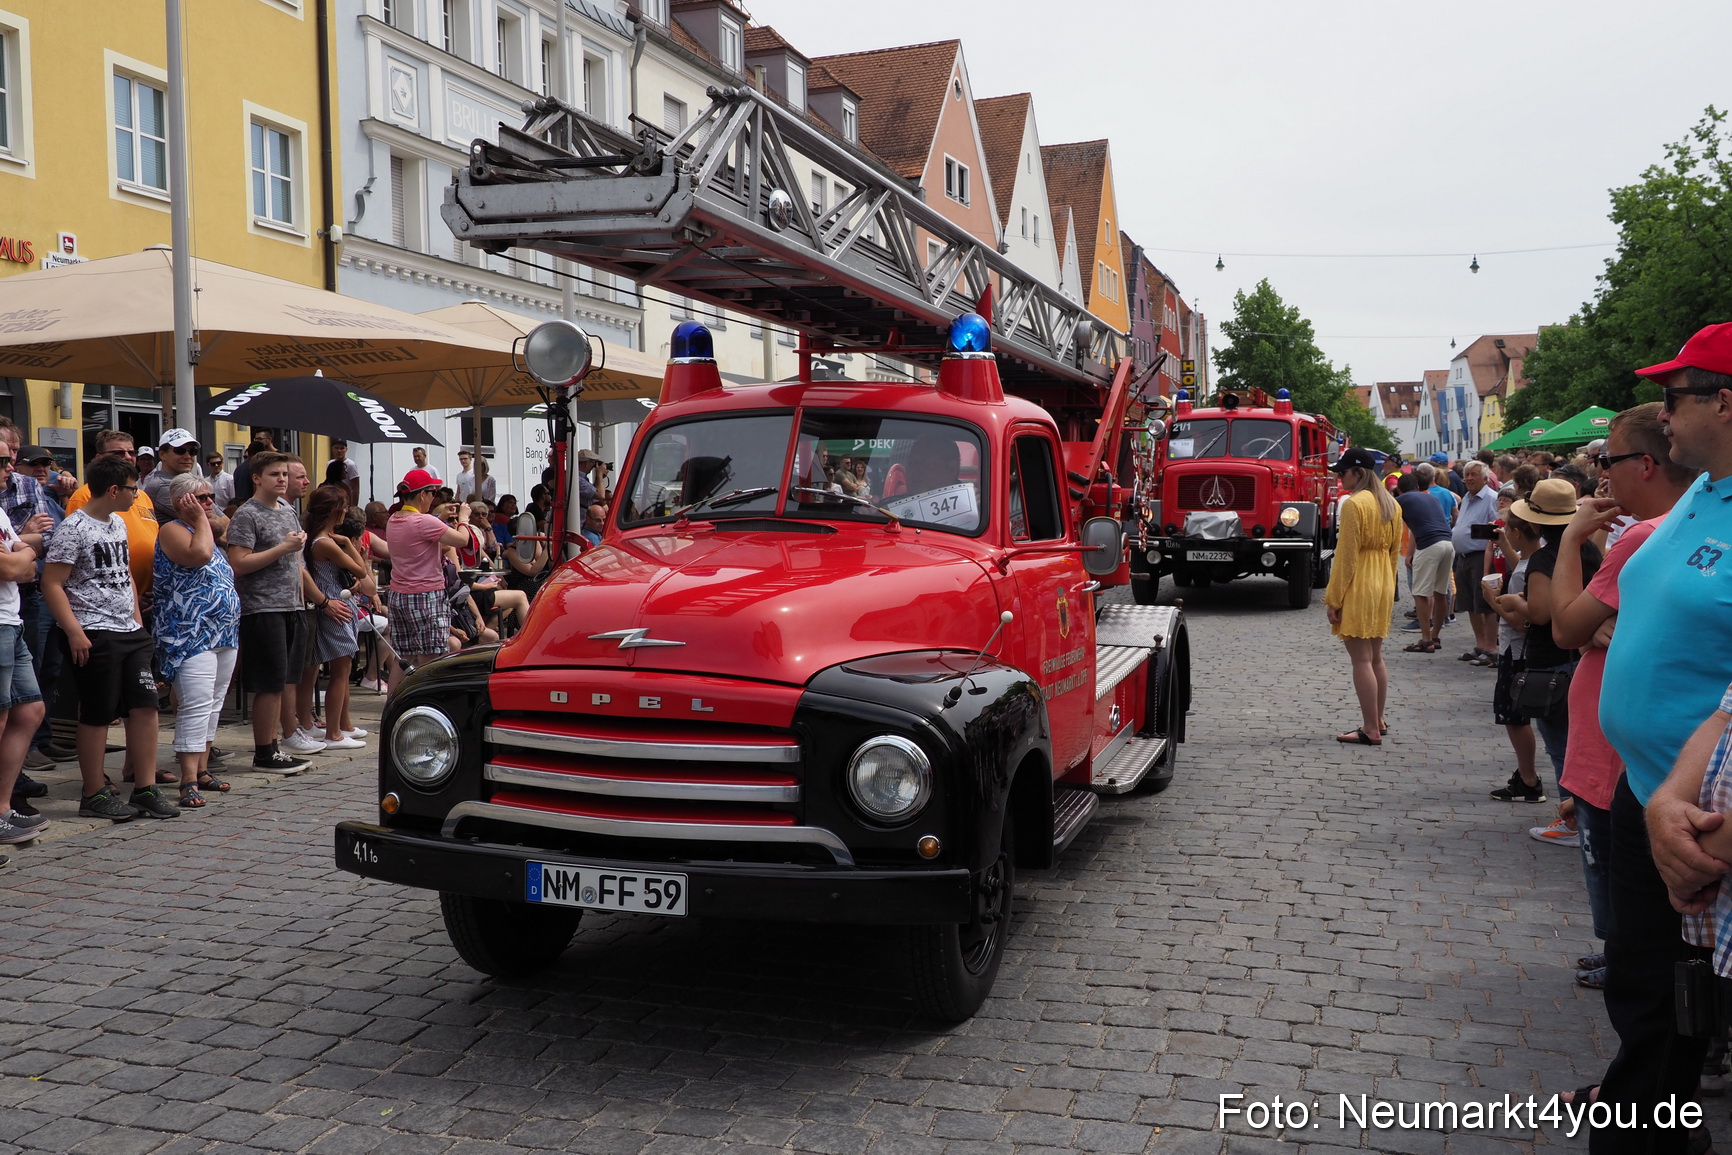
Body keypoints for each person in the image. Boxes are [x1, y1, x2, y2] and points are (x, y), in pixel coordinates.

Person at [1588, 324, 1732, 1153]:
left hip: (1702, 817)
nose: (1662, 413)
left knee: (1677, 1002)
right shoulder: (1702, 492)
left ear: (1725, 401)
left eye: (1676, 395)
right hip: (1644, 789)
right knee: (1646, 989)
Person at [1551, 402, 1697, 993]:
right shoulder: (1674, 527)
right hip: (1646, 756)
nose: (1600, 475)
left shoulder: (1643, 533)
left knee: (1631, 904)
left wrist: (1569, 542)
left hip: (1631, 765)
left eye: (1607, 461)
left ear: (1644, 464)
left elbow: (1566, 627)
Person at [43, 454, 172, 821]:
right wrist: (74, 631)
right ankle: (93, 791)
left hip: (128, 630)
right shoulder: (74, 528)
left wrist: (136, 621)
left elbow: (124, 573)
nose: (137, 495)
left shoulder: (117, 523)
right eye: (132, 488)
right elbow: (52, 582)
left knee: (146, 705)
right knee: (98, 712)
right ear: (114, 490)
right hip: (93, 629)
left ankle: (145, 787)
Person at [229, 452, 325, 770]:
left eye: (284, 474)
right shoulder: (247, 514)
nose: (282, 479)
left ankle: (275, 746)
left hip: (292, 605)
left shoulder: (287, 510)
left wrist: (310, 596)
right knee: (269, 683)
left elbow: (296, 562)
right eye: (274, 474)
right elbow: (239, 563)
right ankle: (264, 751)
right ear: (257, 478)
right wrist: (283, 548)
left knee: (283, 680)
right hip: (262, 607)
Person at [152, 472, 239, 810]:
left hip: (223, 631)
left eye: (209, 497)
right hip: (189, 632)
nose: (209, 503)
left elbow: (223, 533)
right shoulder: (173, 529)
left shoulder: (206, 529)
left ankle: (202, 768)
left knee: (215, 700)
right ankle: (188, 777)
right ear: (181, 503)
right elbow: (200, 555)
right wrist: (201, 519)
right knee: (197, 701)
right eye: (201, 498)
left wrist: (208, 519)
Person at [1324, 447, 1402, 745]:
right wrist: (1389, 587)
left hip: (1360, 582)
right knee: (1376, 657)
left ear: (1358, 472)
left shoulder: (1354, 504)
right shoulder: (1391, 505)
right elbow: (1395, 554)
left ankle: (1370, 727)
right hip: (1382, 580)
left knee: (1361, 660)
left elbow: (1346, 557)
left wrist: (1334, 598)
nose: (1339, 476)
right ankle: (1378, 720)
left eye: (1342, 471)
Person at [292, 486, 369, 751]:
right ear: (335, 511)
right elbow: (361, 569)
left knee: (342, 670)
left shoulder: (319, 540)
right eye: (344, 507)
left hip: (337, 602)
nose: (346, 512)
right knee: (341, 672)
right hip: (335, 606)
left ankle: (343, 725)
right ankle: (333, 732)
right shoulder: (326, 542)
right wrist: (349, 544)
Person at [385, 468, 472, 685]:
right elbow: (462, 540)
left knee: (402, 658)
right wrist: (463, 519)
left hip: (399, 596)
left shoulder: (394, 519)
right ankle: (425, 709)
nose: (434, 498)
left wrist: (438, 518)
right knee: (430, 659)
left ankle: (392, 709)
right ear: (422, 494)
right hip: (426, 597)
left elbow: (423, 540)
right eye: (433, 492)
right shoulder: (424, 522)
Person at [0, 470, 48, 845]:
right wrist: (26, 552)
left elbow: (27, 568)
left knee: (30, 710)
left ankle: (2, 809)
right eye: (1, 460)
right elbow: (13, 566)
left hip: (11, 620)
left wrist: (24, 553)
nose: (9, 469)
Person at [1394, 473, 1451, 653]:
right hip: (1448, 544)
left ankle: (1426, 640)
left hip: (1429, 545)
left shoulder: (1401, 499)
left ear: (1400, 489)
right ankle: (1435, 636)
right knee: (1440, 593)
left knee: (1420, 593)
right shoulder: (1430, 498)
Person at [1451, 462, 1500, 666]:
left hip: (1481, 556)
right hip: (1463, 557)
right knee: (1470, 603)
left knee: (1485, 604)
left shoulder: (1491, 499)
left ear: (1485, 478)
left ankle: (1491, 648)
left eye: (1474, 475)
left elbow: (1497, 531)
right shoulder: (1467, 499)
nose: (1469, 478)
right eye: (1467, 475)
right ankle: (1480, 644)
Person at [143, 428, 203, 522]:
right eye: (180, 450)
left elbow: (222, 519)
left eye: (192, 451)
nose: (188, 456)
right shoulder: (161, 486)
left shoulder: (186, 483)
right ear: (162, 455)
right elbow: (208, 522)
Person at [330, 439, 360, 504]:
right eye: (336, 448)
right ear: (332, 449)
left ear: (346, 449)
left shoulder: (351, 465)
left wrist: (354, 505)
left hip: (346, 498)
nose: (339, 451)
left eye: (342, 448)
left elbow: (355, 488)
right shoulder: (330, 464)